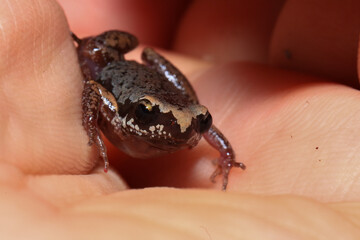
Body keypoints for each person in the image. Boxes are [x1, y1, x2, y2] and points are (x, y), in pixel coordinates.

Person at [1, 0, 359, 238]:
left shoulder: (188, 124)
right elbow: (94, 89)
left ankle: (179, 102)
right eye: (148, 116)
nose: (187, 131)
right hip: (120, 72)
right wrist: (92, 133)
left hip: (164, 91)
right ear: (140, 115)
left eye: (199, 123)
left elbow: (206, 129)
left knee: (185, 107)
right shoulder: (123, 110)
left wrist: (226, 155)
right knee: (92, 51)